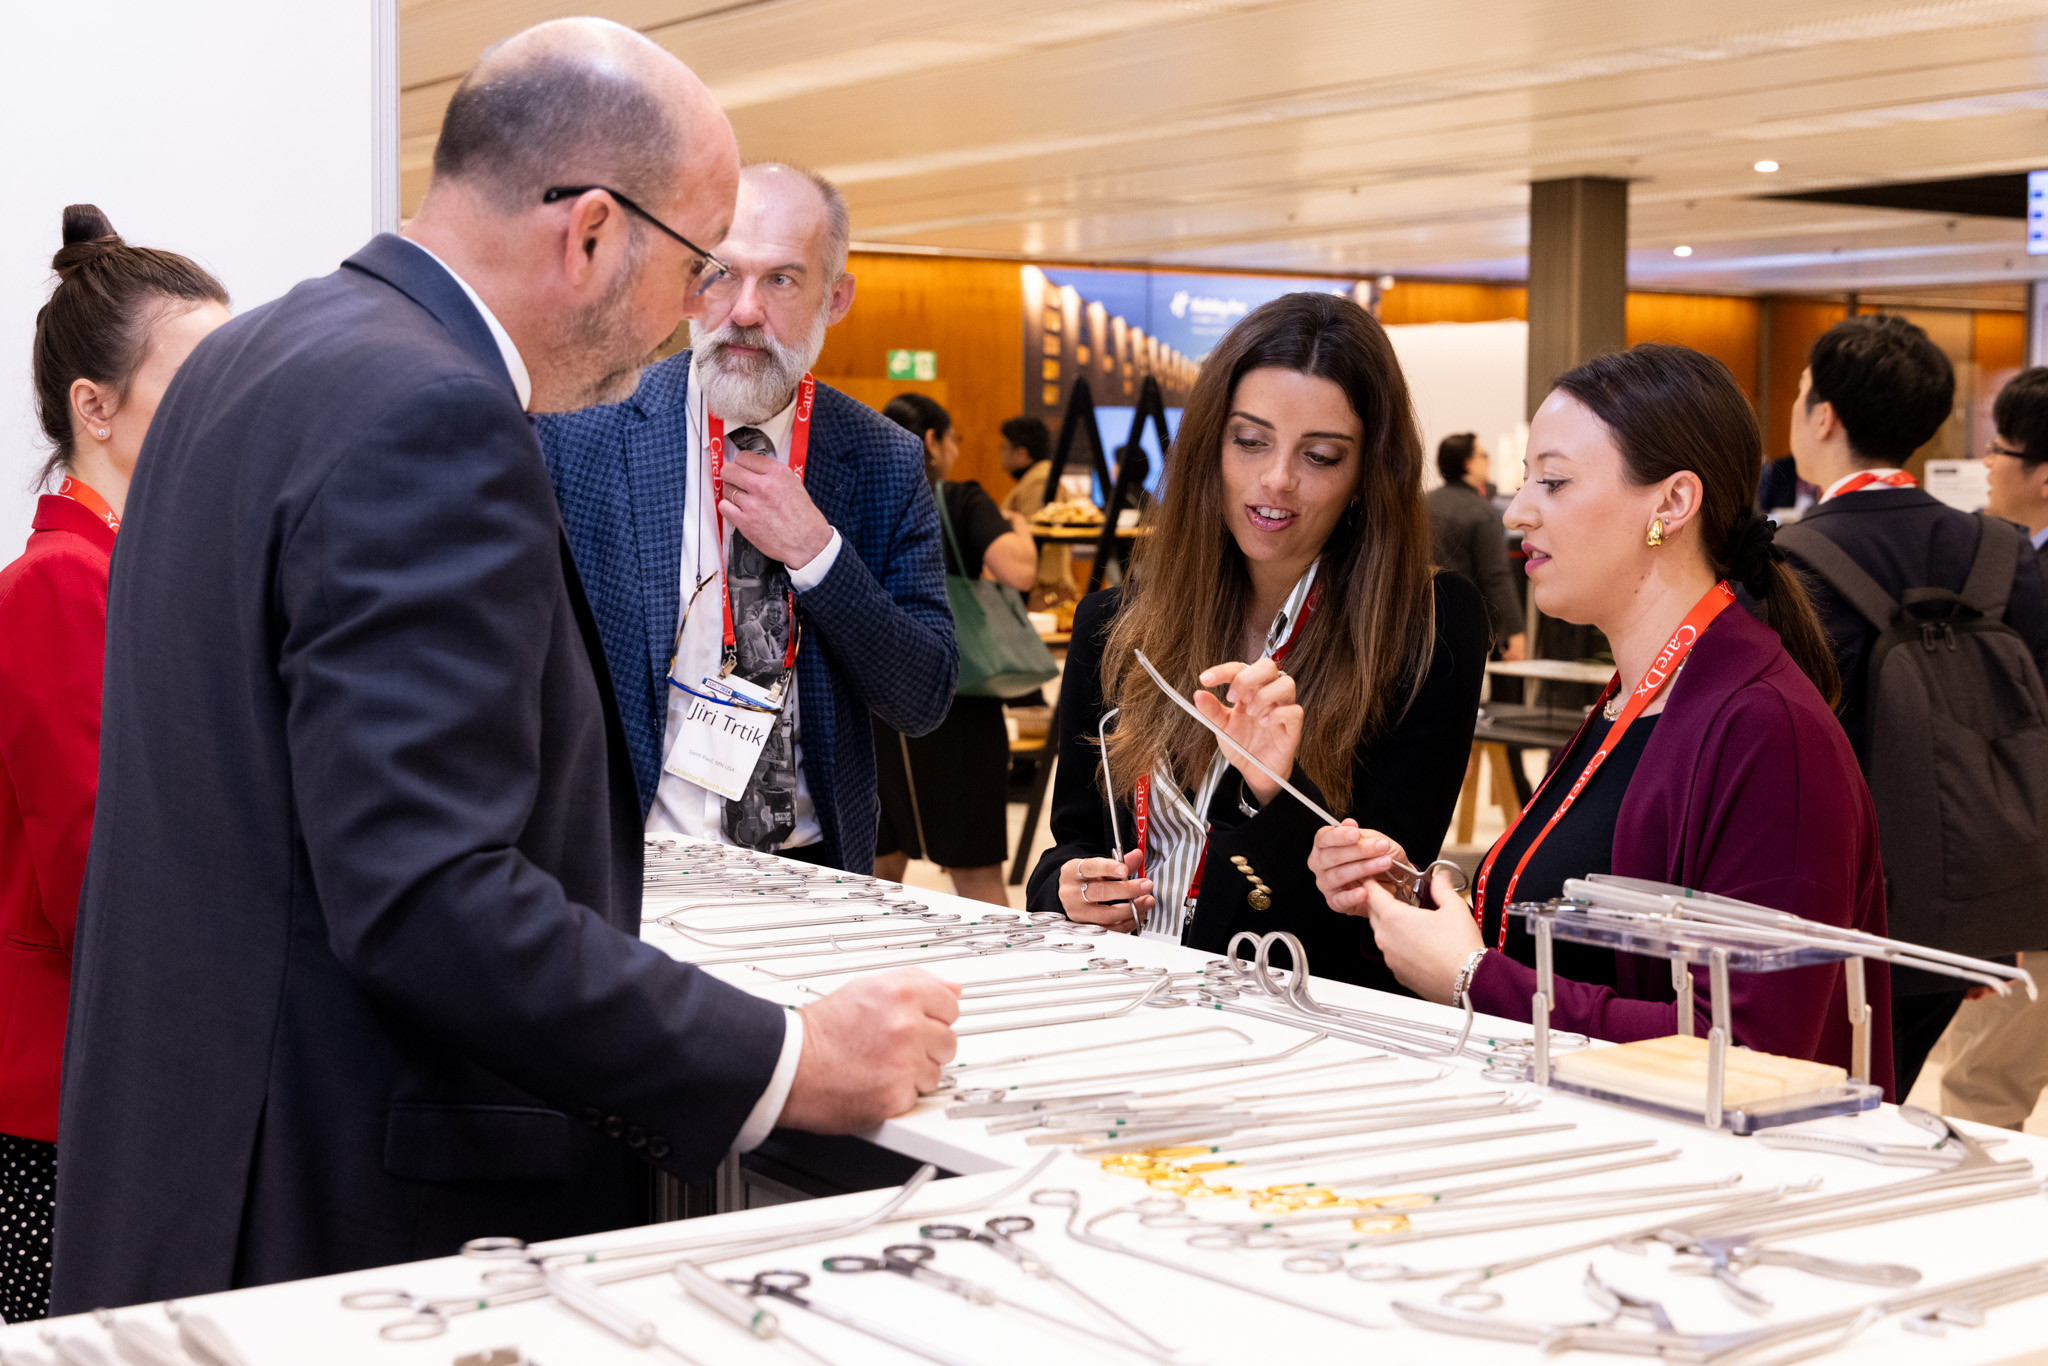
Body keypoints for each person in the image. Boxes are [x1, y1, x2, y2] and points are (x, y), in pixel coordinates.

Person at [51, 21, 957, 1312]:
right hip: (349, 1222)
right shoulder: (435, 415)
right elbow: (430, 895)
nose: (690, 322)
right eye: (695, 269)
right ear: (590, 232)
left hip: (195, 1186)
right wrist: (789, 1058)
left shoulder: (243, 362)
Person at [1311, 344, 1895, 1093]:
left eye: (1553, 482)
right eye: (1527, 482)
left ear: (1671, 504)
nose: (1519, 513)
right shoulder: (1639, 696)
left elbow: (1752, 1056)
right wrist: (1410, 899)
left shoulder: (1763, 726)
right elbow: (1564, 938)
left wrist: (1472, 978)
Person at [1027, 292, 1488, 990]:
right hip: (1121, 996)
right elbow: (1076, 843)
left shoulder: (1427, 627)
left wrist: (1274, 793)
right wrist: (1067, 886)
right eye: (1250, 441)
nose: (1277, 479)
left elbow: (1387, 901)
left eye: (1322, 455)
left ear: (1368, 472)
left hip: (1298, 1016)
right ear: (1211, 446)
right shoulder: (1114, 627)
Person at [539, 163, 955, 874]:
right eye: (722, 274)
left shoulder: (882, 460)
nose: (745, 310)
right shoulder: (587, 430)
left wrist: (819, 555)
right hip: (625, 871)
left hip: (812, 873)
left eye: (782, 281)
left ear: (835, 298)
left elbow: (922, 697)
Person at [0, 207, 228, 1323]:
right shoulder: (60, 584)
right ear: (93, 407)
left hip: (115, 1066)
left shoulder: (133, 571)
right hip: (62, 1091)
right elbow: (97, 871)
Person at [1778, 316, 2048, 1096]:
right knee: (1892, 1091)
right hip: (1972, 901)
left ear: (1822, 416)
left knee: (1819, 1104)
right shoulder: (2005, 556)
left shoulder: (1793, 563)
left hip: (1838, 904)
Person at [1924, 364, 2048, 1127]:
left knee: (1983, 1083)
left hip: (2031, 855)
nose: (1987, 466)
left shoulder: (2022, 572)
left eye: (2000, 449)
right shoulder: (2007, 558)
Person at [873, 393, 1038, 905]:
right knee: (976, 876)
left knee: (877, 869)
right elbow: (1019, 570)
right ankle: (994, 978)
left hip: (877, 704)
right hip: (958, 703)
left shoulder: (864, 498)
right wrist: (1021, 529)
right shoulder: (959, 500)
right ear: (932, 442)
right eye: (953, 439)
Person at [1427, 432, 1526, 660]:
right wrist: (1515, 630)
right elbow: (1496, 577)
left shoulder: (1421, 504)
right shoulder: (1483, 512)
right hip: (1465, 627)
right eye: (1483, 455)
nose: (1488, 460)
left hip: (1421, 623)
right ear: (1468, 463)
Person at [998, 414, 1072, 604]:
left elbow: (1035, 540)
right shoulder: (1037, 478)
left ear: (1022, 453)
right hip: (1038, 589)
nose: (1001, 454)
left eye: (1003, 448)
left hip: (1042, 592)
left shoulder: (1039, 482)